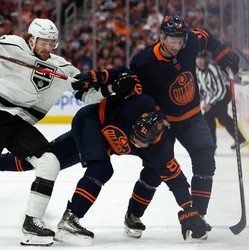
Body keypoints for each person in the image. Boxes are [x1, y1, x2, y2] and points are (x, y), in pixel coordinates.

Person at [0, 1, 107, 247]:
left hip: (20, 125)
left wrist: (111, 88)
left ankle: (32, 222)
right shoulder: (14, 46)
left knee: (49, 162)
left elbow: (88, 95)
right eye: (43, 42)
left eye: (51, 44)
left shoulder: (61, 67)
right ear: (31, 40)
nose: (47, 48)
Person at [71, 15, 240, 232]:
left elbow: (206, 37)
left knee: (206, 160)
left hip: (192, 117)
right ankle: (133, 215)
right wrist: (103, 81)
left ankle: (198, 215)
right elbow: (129, 80)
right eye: (172, 40)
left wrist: (222, 53)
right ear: (161, 36)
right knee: (154, 170)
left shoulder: (190, 42)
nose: (177, 46)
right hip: (163, 122)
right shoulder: (144, 62)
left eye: (180, 40)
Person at [0, 73, 208, 244]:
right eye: (133, 134)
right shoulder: (139, 103)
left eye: (140, 141)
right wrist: (101, 77)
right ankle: (70, 219)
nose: (134, 141)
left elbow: (177, 179)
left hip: (103, 142)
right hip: (90, 120)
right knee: (102, 169)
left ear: (153, 142)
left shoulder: (161, 150)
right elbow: (128, 75)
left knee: (48, 159)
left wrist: (189, 209)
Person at [196, 52, 247, 150]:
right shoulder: (199, 70)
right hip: (216, 96)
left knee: (214, 116)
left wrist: (210, 103)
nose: (200, 61)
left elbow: (221, 90)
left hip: (224, 94)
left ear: (206, 59)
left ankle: (213, 145)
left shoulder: (212, 68)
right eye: (198, 58)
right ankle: (238, 139)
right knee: (213, 117)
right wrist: (201, 94)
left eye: (202, 58)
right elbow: (203, 84)